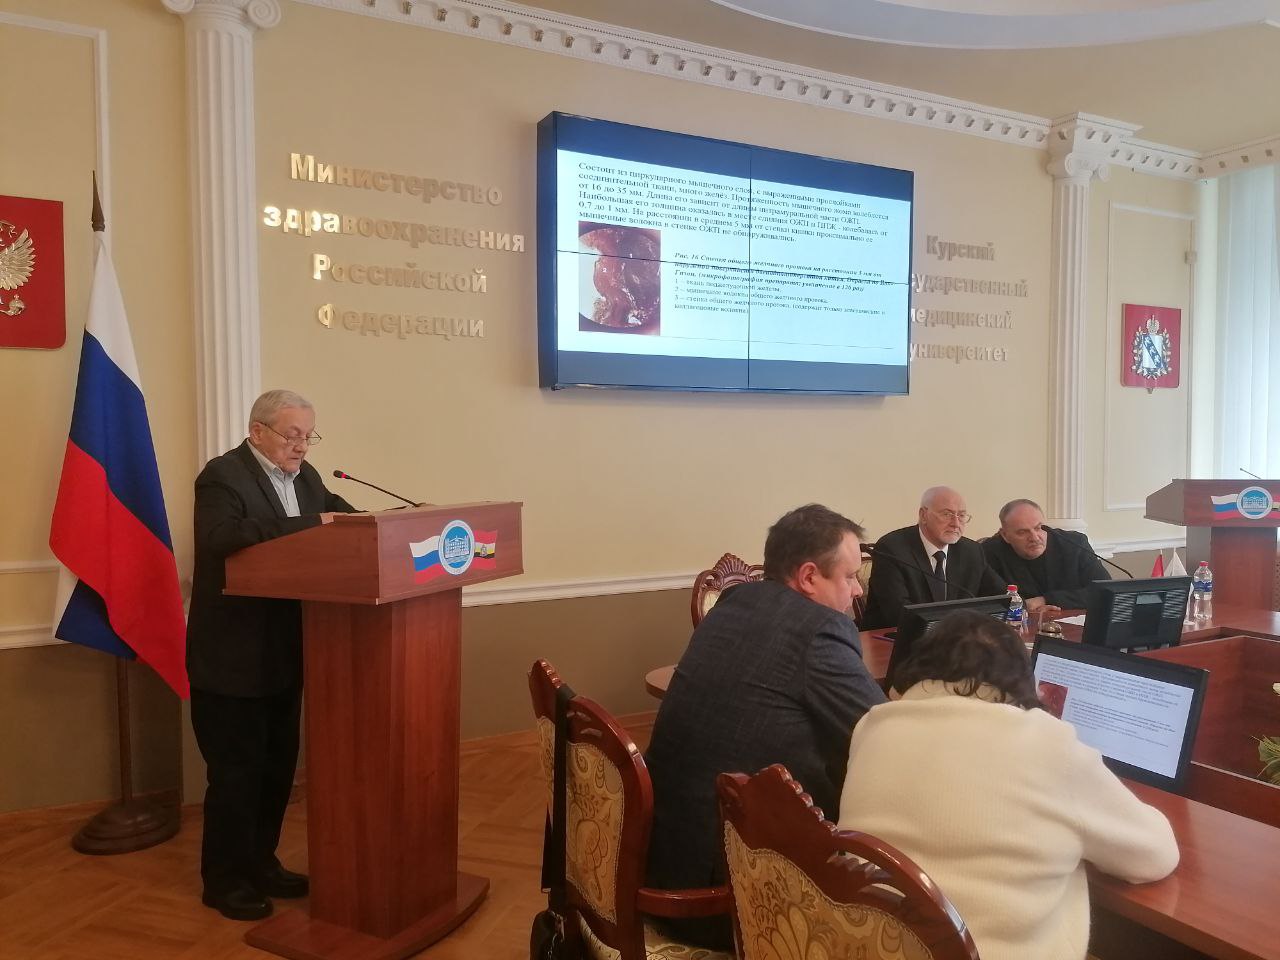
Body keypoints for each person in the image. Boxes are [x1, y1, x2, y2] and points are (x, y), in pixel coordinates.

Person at [838, 611, 1178, 960]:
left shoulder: (872, 726)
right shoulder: (1047, 745)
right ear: (1025, 681)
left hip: (871, 947)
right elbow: (1156, 856)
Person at [645, 504, 887, 947]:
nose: (857, 591)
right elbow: (886, 739)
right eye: (851, 576)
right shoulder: (820, 629)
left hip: (663, 858)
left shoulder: (737, 601)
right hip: (732, 895)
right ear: (809, 576)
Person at [187, 389, 357, 921]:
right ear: (257, 431)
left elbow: (338, 515)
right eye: (292, 435)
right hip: (232, 658)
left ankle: (261, 863)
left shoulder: (306, 479)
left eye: (308, 435)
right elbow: (222, 537)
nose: (301, 446)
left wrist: (392, 521)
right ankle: (224, 881)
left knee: (277, 771)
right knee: (236, 776)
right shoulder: (222, 476)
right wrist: (312, 525)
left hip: (286, 652)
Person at [860, 485, 1005, 629]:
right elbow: (898, 613)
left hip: (955, 637)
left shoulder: (971, 551)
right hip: (891, 637)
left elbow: (1003, 597)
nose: (956, 524)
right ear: (924, 515)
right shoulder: (892, 548)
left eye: (961, 516)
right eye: (947, 514)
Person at [982, 498, 1109, 612]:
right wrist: (1026, 607)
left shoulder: (1074, 544)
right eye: (1022, 532)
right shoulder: (989, 552)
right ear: (1005, 535)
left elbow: (1105, 592)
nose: (1034, 537)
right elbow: (989, 603)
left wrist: (1046, 600)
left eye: (1038, 528)